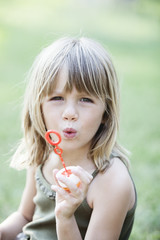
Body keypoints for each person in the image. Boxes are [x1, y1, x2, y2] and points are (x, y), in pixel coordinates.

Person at [0, 37, 137, 240]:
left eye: (85, 99)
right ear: (39, 106)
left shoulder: (111, 181)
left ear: (106, 112)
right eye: (57, 98)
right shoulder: (44, 154)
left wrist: (65, 218)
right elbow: (25, 216)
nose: (70, 113)